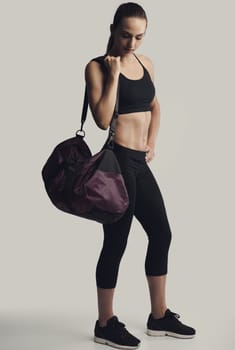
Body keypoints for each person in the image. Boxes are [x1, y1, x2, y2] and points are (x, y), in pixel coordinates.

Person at [85, 2, 196, 349]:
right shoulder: (97, 67)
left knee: (161, 233)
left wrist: (152, 141)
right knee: (116, 242)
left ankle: (158, 315)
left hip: (139, 162)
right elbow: (102, 119)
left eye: (139, 37)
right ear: (113, 29)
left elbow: (155, 105)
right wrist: (115, 73)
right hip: (116, 164)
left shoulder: (146, 63)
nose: (132, 44)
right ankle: (105, 323)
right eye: (125, 35)